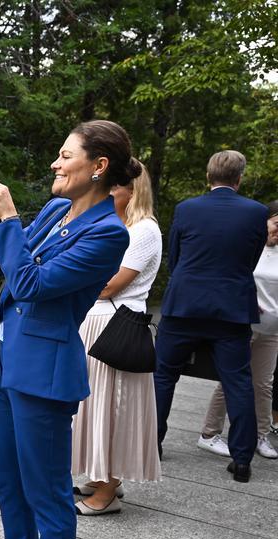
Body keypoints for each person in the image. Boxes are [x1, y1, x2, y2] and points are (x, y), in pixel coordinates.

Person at [0, 120, 135, 539]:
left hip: (47, 371)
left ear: (98, 166)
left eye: (65, 156)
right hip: (8, 360)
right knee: (8, 475)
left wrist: (11, 217)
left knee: (48, 486)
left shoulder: (108, 234)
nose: (55, 165)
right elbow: (6, 268)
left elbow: (33, 285)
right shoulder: (59, 210)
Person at [153, 150, 268, 482]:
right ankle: (242, 459)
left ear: (208, 176)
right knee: (238, 382)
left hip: (184, 305)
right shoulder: (256, 213)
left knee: (163, 376)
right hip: (231, 309)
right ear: (239, 178)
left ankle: (153, 445)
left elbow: (174, 257)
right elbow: (251, 258)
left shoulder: (186, 209)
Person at [71, 162, 163, 515]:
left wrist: (76, 276)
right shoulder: (121, 226)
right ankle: (102, 477)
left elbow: (110, 284)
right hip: (98, 322)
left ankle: (106, 491)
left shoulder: (144, 230)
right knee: (95, 407)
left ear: (132, 190)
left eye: (114, 189)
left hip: (117, 326)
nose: (107, 195)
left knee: (112, 409)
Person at [198, 200, 278, 460]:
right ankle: (209, 434)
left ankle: (260, 436)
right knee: (231, 382)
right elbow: (229, 276)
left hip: (272, 329)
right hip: (242, 324)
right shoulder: (248, 246)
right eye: (277, 224)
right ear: (265, 221)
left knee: (264, 384)